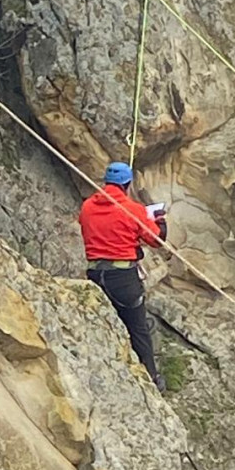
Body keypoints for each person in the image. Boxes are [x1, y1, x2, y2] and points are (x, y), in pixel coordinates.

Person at [78, 162, 168, 392]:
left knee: (105, 326)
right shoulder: (132, 210)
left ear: (106, 182)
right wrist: (160, 220)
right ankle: (151, 378)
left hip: (96, 274)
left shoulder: (87, 206)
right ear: (127, 184)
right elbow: (156, 240)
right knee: (138, 329)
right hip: (123, 278)